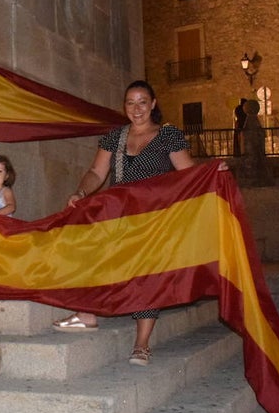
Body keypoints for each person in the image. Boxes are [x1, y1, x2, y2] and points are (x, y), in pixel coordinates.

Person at [53, 79, 195, 366]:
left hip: (153, 219)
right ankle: (88, 313)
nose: (137, 108)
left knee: (146, 275)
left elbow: (189, 175)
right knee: (91, 253)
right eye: (130, 102)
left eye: (143, 101)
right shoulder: (115, 137)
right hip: (117, 215)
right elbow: (96, 171)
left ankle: (142, 344)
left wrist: (215, 172)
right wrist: (81, 192)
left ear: (153, 104)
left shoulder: (168, 136)